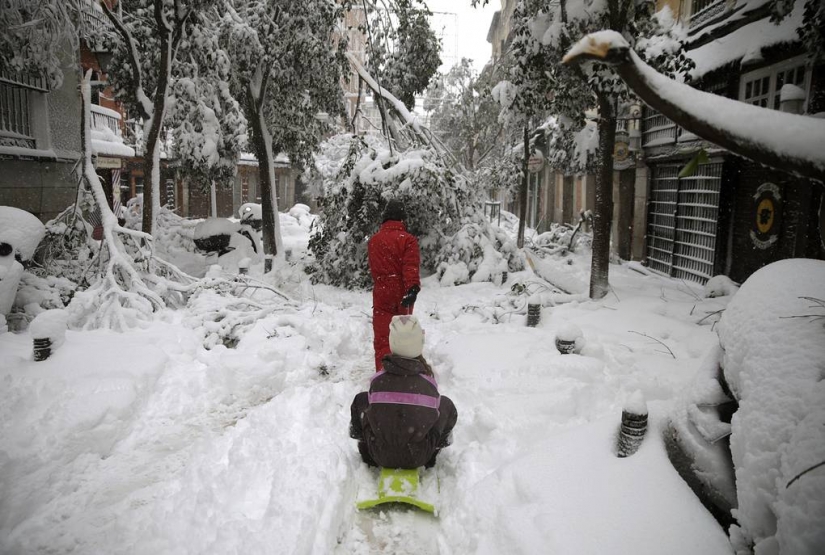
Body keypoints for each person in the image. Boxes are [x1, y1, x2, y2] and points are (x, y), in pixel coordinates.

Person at [350, 315, 457, 469]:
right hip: (418, 456)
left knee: (361, 399)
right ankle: (433, 453)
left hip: (379, 453)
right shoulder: (428, 383)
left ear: (392, 343)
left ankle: (366, 451)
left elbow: (374, 411)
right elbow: (432, 415)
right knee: (445, 405)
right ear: (419, 343)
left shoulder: (378, 380)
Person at [368, 199, 421, 371]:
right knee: (403, 335)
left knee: (383, 337)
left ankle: (383, 373)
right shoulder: (408, 240)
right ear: (402, 219)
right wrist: (412, 288)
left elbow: (375, 267)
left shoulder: (374, 240)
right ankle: (403, 373)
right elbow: (410, 266)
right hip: (402, 292)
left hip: (381, 291)